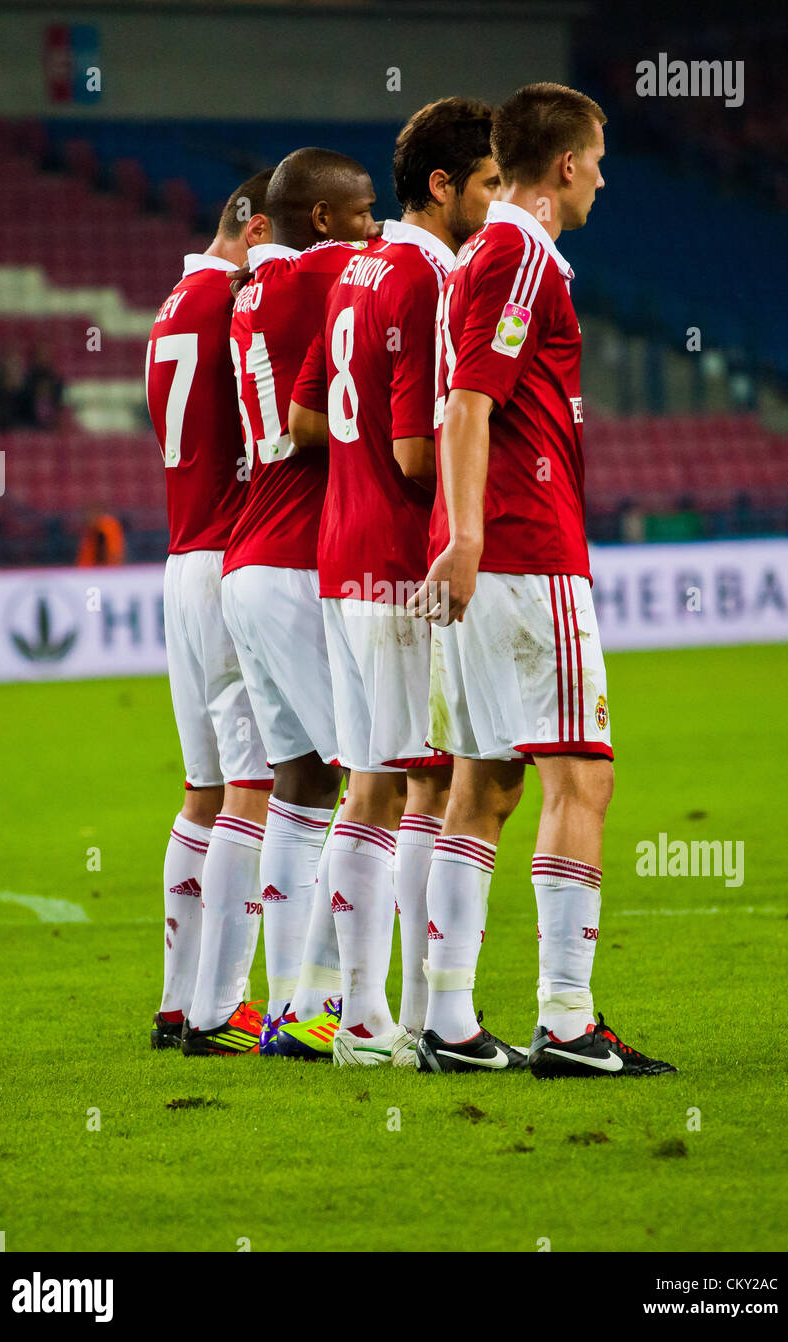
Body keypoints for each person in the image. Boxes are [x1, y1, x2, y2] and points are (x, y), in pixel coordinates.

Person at [409, 83, 676, 1077]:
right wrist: (471, 534)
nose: (603, 177)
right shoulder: (520, 250)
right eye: (596, 158)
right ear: (561, 165)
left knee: (482, 784)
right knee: (583, 774)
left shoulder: (475, 252)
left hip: (487, 554)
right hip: (522, 549)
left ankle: (445, 1018)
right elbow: (471, 403)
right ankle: (566, 1020)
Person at [289, 98, 500, 1067]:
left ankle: (361, 1012)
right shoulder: (428, 275)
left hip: (340, 548)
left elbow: (321, 420)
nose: (497, 205)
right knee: (418, 782)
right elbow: (419, 452)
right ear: (443, 187)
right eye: (489, 184)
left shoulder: (357, 268)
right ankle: (390, 1019)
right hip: (396, 560)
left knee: (378, 783)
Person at [220, 148, 380, 1056]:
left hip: (252, 553)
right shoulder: (328, 271)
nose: (372, 223)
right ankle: (330, 1005)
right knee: (374, 779)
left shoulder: (254, 287)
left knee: (303, 783)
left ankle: (289, 1006)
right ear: (320, 219)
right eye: (360, 211)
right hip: (294, 563)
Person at [145, 170, 276, 1057]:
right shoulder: (233, 301)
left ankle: (176, 999)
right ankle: (218, 1009)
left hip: (181, 560)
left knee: (202, 791)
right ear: (255, 223)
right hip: (232, 560)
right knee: (256, 788)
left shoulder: (171, 303)